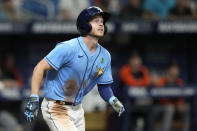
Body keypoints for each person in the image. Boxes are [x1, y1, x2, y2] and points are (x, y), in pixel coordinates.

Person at [24, 6, 125, 131]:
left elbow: (104, 86)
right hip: (56, 107)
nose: (101, 24)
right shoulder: (68, 47)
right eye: (96, 21)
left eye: (102, 22)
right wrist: (34, 97)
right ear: (84, 24)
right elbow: (40, 68)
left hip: (77, 109)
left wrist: (112, 99)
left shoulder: (105, 55)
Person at [149, 63, 189, 131]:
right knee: (169, 108)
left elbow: (181, 96)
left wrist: (180, 103)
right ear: (168, 71)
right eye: (173, 70)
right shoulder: (162, 81)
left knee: (187, 108)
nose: (174, 72)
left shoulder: (180, 82)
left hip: (175, 106)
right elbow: (160, 98)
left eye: (176, 70)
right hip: (159, 107)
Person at [119, 52, 151, 131]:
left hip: (140, 100)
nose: (137, 63)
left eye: (138, 61)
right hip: (123, 100)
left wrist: (141, 83)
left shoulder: (143, 70)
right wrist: (141, 83)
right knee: (126, 107)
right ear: (130, 61)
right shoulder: (125, 70)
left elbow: (147, 81)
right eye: (134, 61)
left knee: (151, 108)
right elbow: (130, 82)